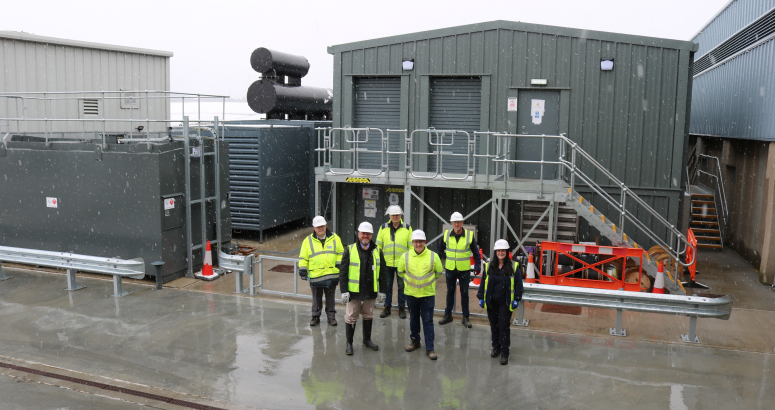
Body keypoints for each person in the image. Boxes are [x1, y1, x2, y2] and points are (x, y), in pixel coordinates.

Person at [339, 222, 387, 355]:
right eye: (363, 233)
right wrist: (344, 291)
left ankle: (367, 340)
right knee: (351, 317)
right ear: (358, 234)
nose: (365, 236)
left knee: (368, 315)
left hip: (370, 291)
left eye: (368, 234)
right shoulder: (350, 249)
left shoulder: (377, 251)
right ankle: (349, 343)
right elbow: (343, 272)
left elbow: (383, 272)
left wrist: (383, 290)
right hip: (353, 292)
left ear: (372, 235)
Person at [397, 230, 443, 360]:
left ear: (425, 242)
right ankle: (415, 341)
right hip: (411, 294)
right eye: (416, 242)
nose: (418, 244)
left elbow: (439, 272)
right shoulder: (405, 256)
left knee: (428, 321)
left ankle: (430, 348)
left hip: (427, 294)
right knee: (414, 319)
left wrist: (425, 283)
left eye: (420, 241)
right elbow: (400, 272)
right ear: (412, 243)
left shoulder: (433, 256)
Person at [476, 239, 523, 365]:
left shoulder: (513, 266)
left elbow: (519, 285)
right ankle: (495, 347)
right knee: (494, 325)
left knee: (503, 326)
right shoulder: (489, 266)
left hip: (505, 303)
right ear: (495, 252)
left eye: (503, 250)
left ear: (507, 252)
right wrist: (481, 296)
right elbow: (483, 282)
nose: (501, 253)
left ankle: (504, 352)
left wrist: (517, 299)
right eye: (499, 251)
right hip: (492, 302)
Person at [438, 212, 481, 328]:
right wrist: (436, 263)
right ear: (451, 223)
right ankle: (448, 315)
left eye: (459, 222)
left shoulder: (469, 235)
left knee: (465, 293)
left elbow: (476, 253)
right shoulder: (446, 234)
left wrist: (478, 266)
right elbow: (439, 250)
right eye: (454, 222)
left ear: (462, 223)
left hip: (464, 269)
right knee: (450, 292)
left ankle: (465, 317)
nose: (457, 224)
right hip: (450, 268)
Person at [299, 216, 344, 327]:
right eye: (318, 227)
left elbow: (341, 253)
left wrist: (338, 265)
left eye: (322, 226)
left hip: (331, 275)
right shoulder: (308, 241)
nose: (320, 229)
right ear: (314, 228)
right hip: (316, 276)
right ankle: (315, 316)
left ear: (325, 226)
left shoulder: (335, 238)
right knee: (316, 299)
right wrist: (303, 270)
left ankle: (331, 317)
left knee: (330, 298)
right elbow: (303, 257)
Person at [376, 205, 412, 319]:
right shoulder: (383, 228)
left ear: (400, 215)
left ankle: (402, 308)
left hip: (402, 264)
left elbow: (411, 247)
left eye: (397, 215)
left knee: (402, 287)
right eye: (393, 215)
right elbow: (378, 246)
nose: (395, 217)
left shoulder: (407, 228)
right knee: (387, 286)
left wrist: (408, 261)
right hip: (387, 263)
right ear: (389, 216)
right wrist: (379, 261)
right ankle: (387, 308)